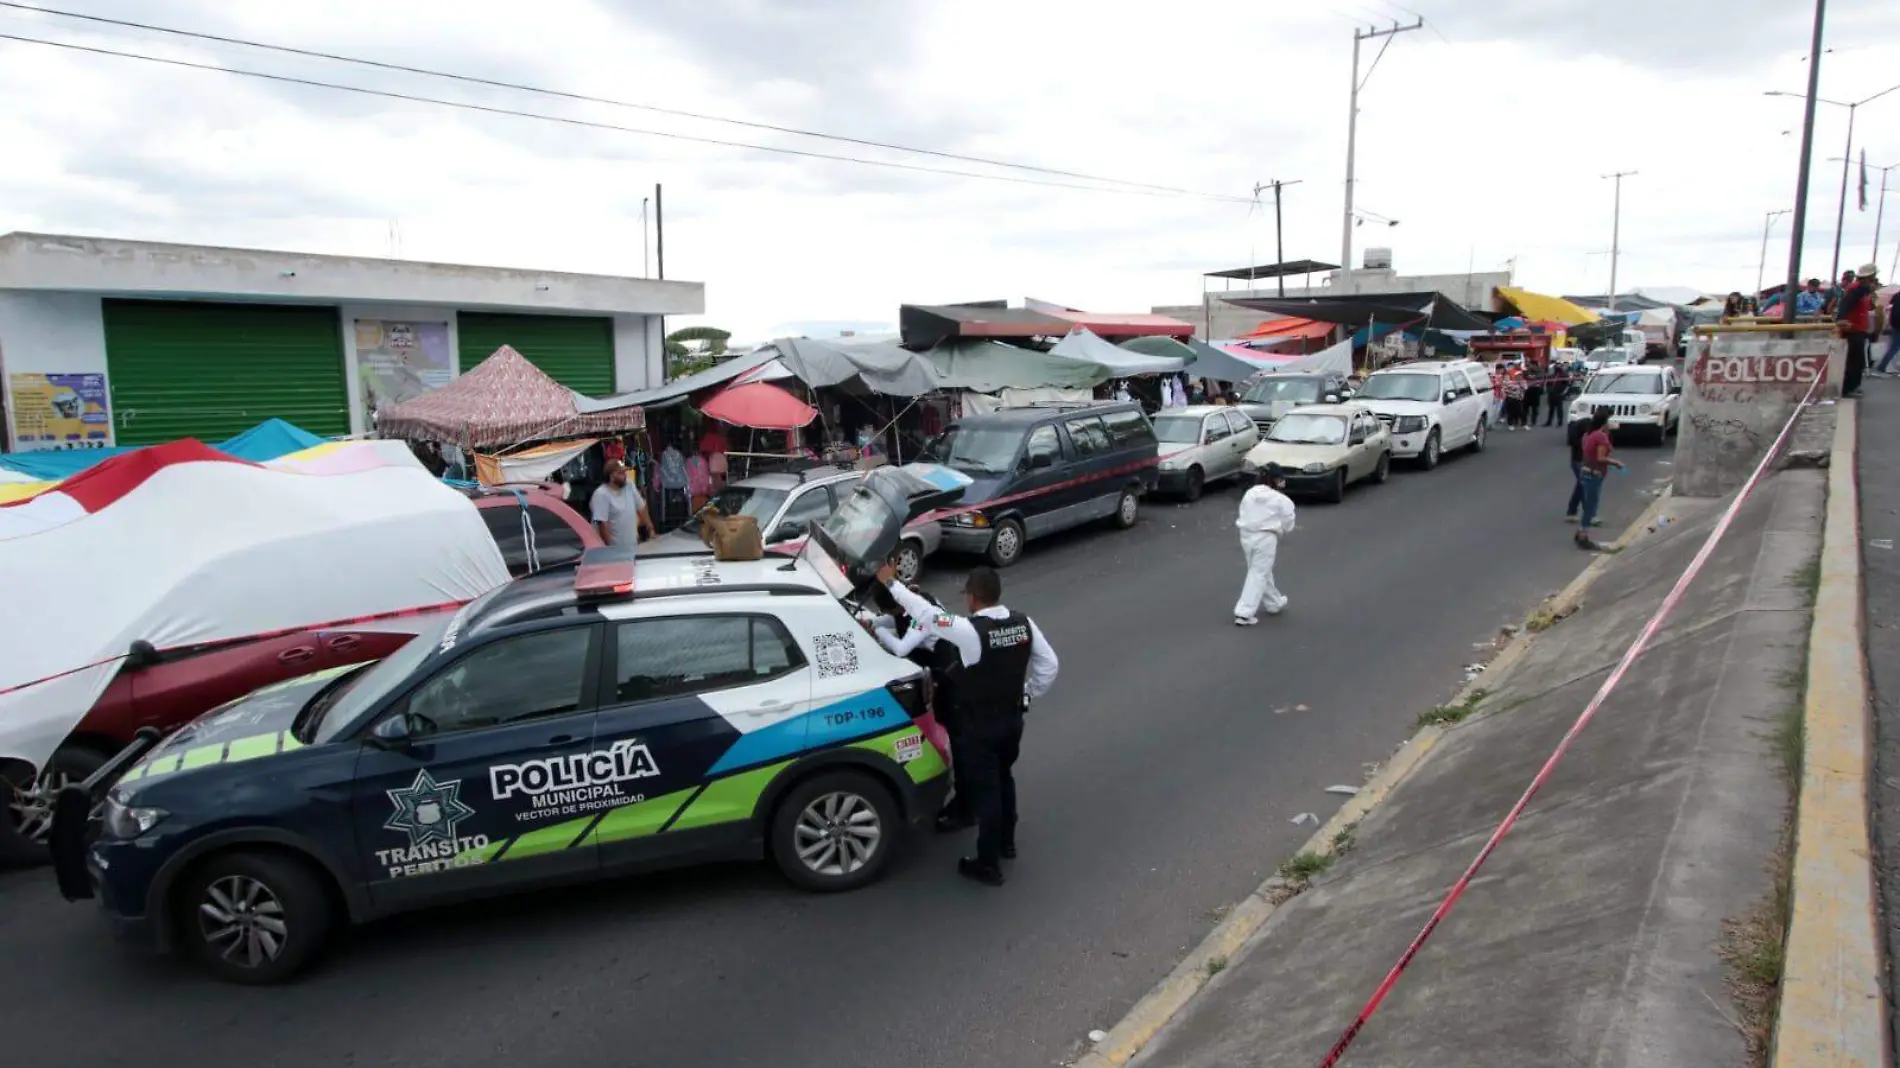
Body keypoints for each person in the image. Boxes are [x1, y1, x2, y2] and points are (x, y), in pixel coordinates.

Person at [874, 563, 1058, 887]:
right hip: (1012, 721)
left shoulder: (971, 630)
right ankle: (1007, 842)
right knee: (1004, 778)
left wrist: (892, 584)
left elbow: (928, 616)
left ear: (972, 597)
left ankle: (988, 863)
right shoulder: (1023, 622)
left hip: (980, 725)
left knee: (986, 793)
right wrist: (1027, 694)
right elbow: (1049, 666)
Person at [860, 582, 973, 830]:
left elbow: (902, 647)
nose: (891, 616)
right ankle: (965, 797)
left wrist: (877, 631)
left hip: (953, 682)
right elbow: (893, 623)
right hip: (945, 678)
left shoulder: (923, 616)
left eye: (890, 611)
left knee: (962, 744)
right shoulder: (914, 602)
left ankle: (967, 806)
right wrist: (875, 624)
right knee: (955, 738)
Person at [1233, 464, 1297, 625]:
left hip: (1246, 535)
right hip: (1266, 537)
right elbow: (1288, 524)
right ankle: (1244, 612)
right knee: (1259, 573)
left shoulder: (1249, 494)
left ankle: (1274, 603)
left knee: (1260, 570)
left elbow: (1243, 512)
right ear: (1275, 480)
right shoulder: (1281, 500)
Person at [1576, 408, 1623, 550]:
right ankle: (1583, 535)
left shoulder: (1588, 434)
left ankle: (1580, 532)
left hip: (1586, 472)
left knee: (1589, 505)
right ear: (1604, 422)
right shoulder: (1600, 437)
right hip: (1594, 474)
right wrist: (1616, 462)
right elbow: (1601, 458)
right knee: (1591, 507)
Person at [590, 459, 655, 549]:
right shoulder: (601, 494)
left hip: (631, 547)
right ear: (612, 476)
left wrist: (650, 528)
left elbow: (641, 508)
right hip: (613, 551)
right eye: (621, 473)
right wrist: (610, 548)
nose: (625, 475)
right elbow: (601, 523)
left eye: (625, 472)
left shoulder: (629, 486)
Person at [1838, 264, 1880, 396]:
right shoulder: (1857, 289)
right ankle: (1848, 388)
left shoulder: (1862, 291)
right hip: (1853, 329)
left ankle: (1852, 386)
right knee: (1855, 361)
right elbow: (1846, 304)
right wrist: (1841, 319)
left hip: (1857, 328)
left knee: (1857, 361)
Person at [1564, 408, 1592, 522]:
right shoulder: (1585, 433)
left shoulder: (1584, 428)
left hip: (1580, 460)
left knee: (1580, 486)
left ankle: (1571, 512)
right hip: (1579, 461)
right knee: (1584, 485)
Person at [1875, 284, 1900, 376]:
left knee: (1893, 347)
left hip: (1895, 325)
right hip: (1898, 326)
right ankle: (1883, 366)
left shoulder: (1896, 296)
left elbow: (1892, 311)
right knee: (1894, 347)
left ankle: (1884, 365)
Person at [1545, 362, 1571, 427]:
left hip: (1559, 394)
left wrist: (1563, 393)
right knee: (1551, 409)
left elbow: (1567, 385)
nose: (1557, 368)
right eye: (1556, 367)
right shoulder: (1552, 376)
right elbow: (1548, 384)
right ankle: (1549, 422)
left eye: (1559, 367)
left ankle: (1559, 422)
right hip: (1551, 394)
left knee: (1559, 409)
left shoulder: (1564, 376)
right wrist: (1549, 391)